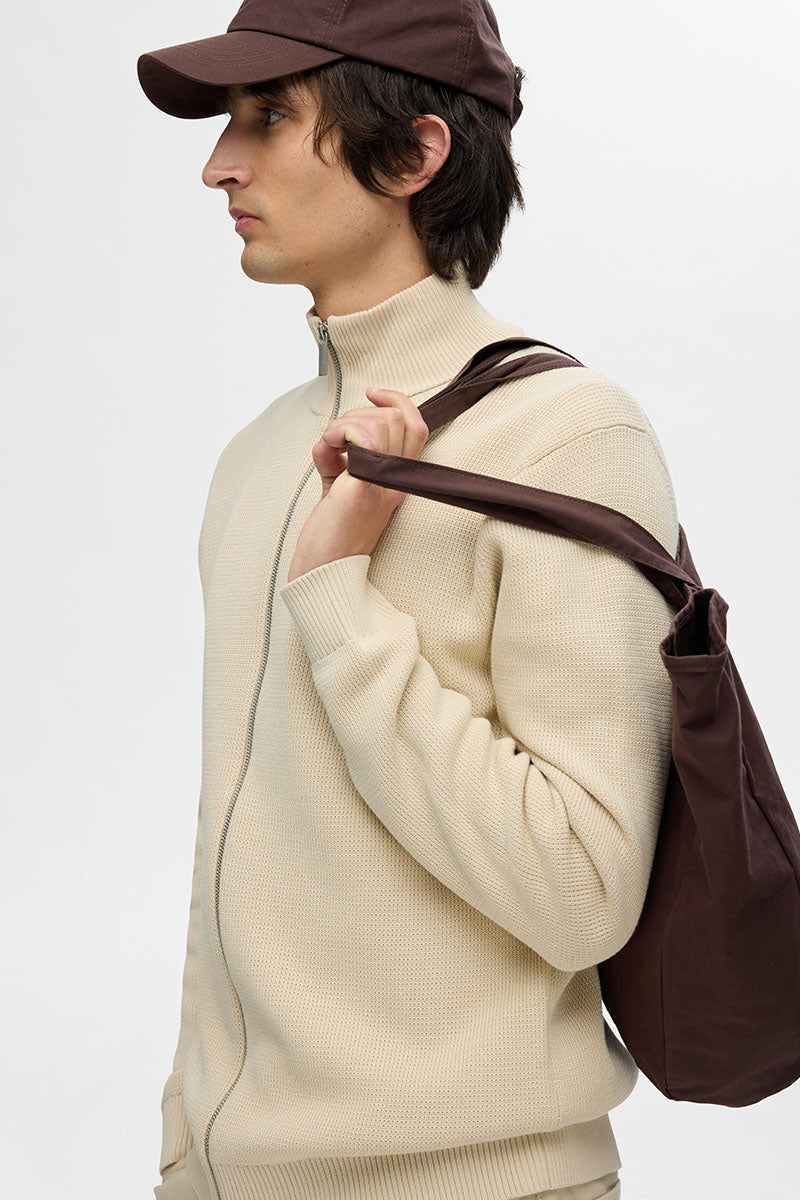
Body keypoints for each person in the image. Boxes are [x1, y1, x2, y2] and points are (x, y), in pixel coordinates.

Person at [137, 4, 678, 1199]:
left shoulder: (564, 437)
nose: (219, 165)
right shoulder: (256, 454)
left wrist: (337, 599)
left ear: (415, 152)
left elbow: (582, 890)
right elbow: (247, 847)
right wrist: (186, 1143)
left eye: (268, 117)